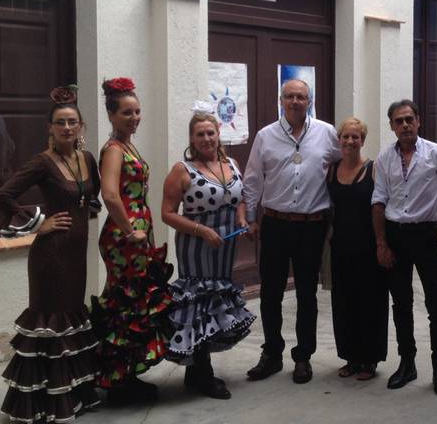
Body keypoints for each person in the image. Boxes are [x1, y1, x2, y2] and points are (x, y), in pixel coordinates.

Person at [0, 85, 101, 423]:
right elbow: (4, 195)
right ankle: (44, 403)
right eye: (60, 122)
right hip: (50, 258)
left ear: (81, 127)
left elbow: (91, 198)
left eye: (72, 122)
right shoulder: (42, 162)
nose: (67, 127)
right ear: (50, 128)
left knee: (71, 318)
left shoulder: (87, 159)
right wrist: (39, 222)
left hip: (77, 256)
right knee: (51, 323)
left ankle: (73, 394)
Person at [242, 79, 341, 384]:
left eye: (301, 96)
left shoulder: (327, 133)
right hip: (274, 224)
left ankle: (303, 357)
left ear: (309, 101)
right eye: (290, 96)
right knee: (270, 293)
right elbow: (253, 179)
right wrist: (250, 216)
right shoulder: (265, 136)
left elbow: (341, 169)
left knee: (307, 295)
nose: (296, 101)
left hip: (312, 226)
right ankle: (271, 353)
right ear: (281, 100)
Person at [160, 107, 255, 398]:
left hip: (225, 246)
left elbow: (239, 199)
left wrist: (241, 219)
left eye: (211, 132)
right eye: (200, 134)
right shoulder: (182, 170)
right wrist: (202, 231)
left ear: (218, 135)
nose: (206, 138)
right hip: (196, 245)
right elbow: (166, 214)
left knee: (216, 303)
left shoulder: (232, 163)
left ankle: (194, 371)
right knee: (200, 305)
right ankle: (204, 373)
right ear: (191, 138)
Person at [91, 77, 173, 404]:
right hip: (125, 237)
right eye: (127, 113)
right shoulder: (113, 149)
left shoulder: (127, 144)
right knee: (126, 301)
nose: (134, 118)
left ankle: (126, 373)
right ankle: (117, 379)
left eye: (137, 111)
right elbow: (110, 194)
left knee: (137, 299)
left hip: (138, 233)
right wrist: (129, 230)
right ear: (111, 115)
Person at [371, 99, 437, 396]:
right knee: (401, 303)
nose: (404, 125)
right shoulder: (384, 158)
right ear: (391, 126)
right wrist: (381, 243)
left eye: (409, 119)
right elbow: (379, 201)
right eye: (398, 121)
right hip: (395, 236)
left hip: (425, 235)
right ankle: (407, 364)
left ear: (418, 121)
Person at [327, 117, 388, 381]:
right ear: (339, 140)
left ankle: (369, 360)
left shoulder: (373, 169)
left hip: (368, 247)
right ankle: (351, 358)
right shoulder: (331, 170)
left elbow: (381, 206)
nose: (350, 141)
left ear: (363, 141)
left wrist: (382, 243)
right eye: (346, 137)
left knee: (370, 303)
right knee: (344, 303)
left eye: (356, 137)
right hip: (340, 246)